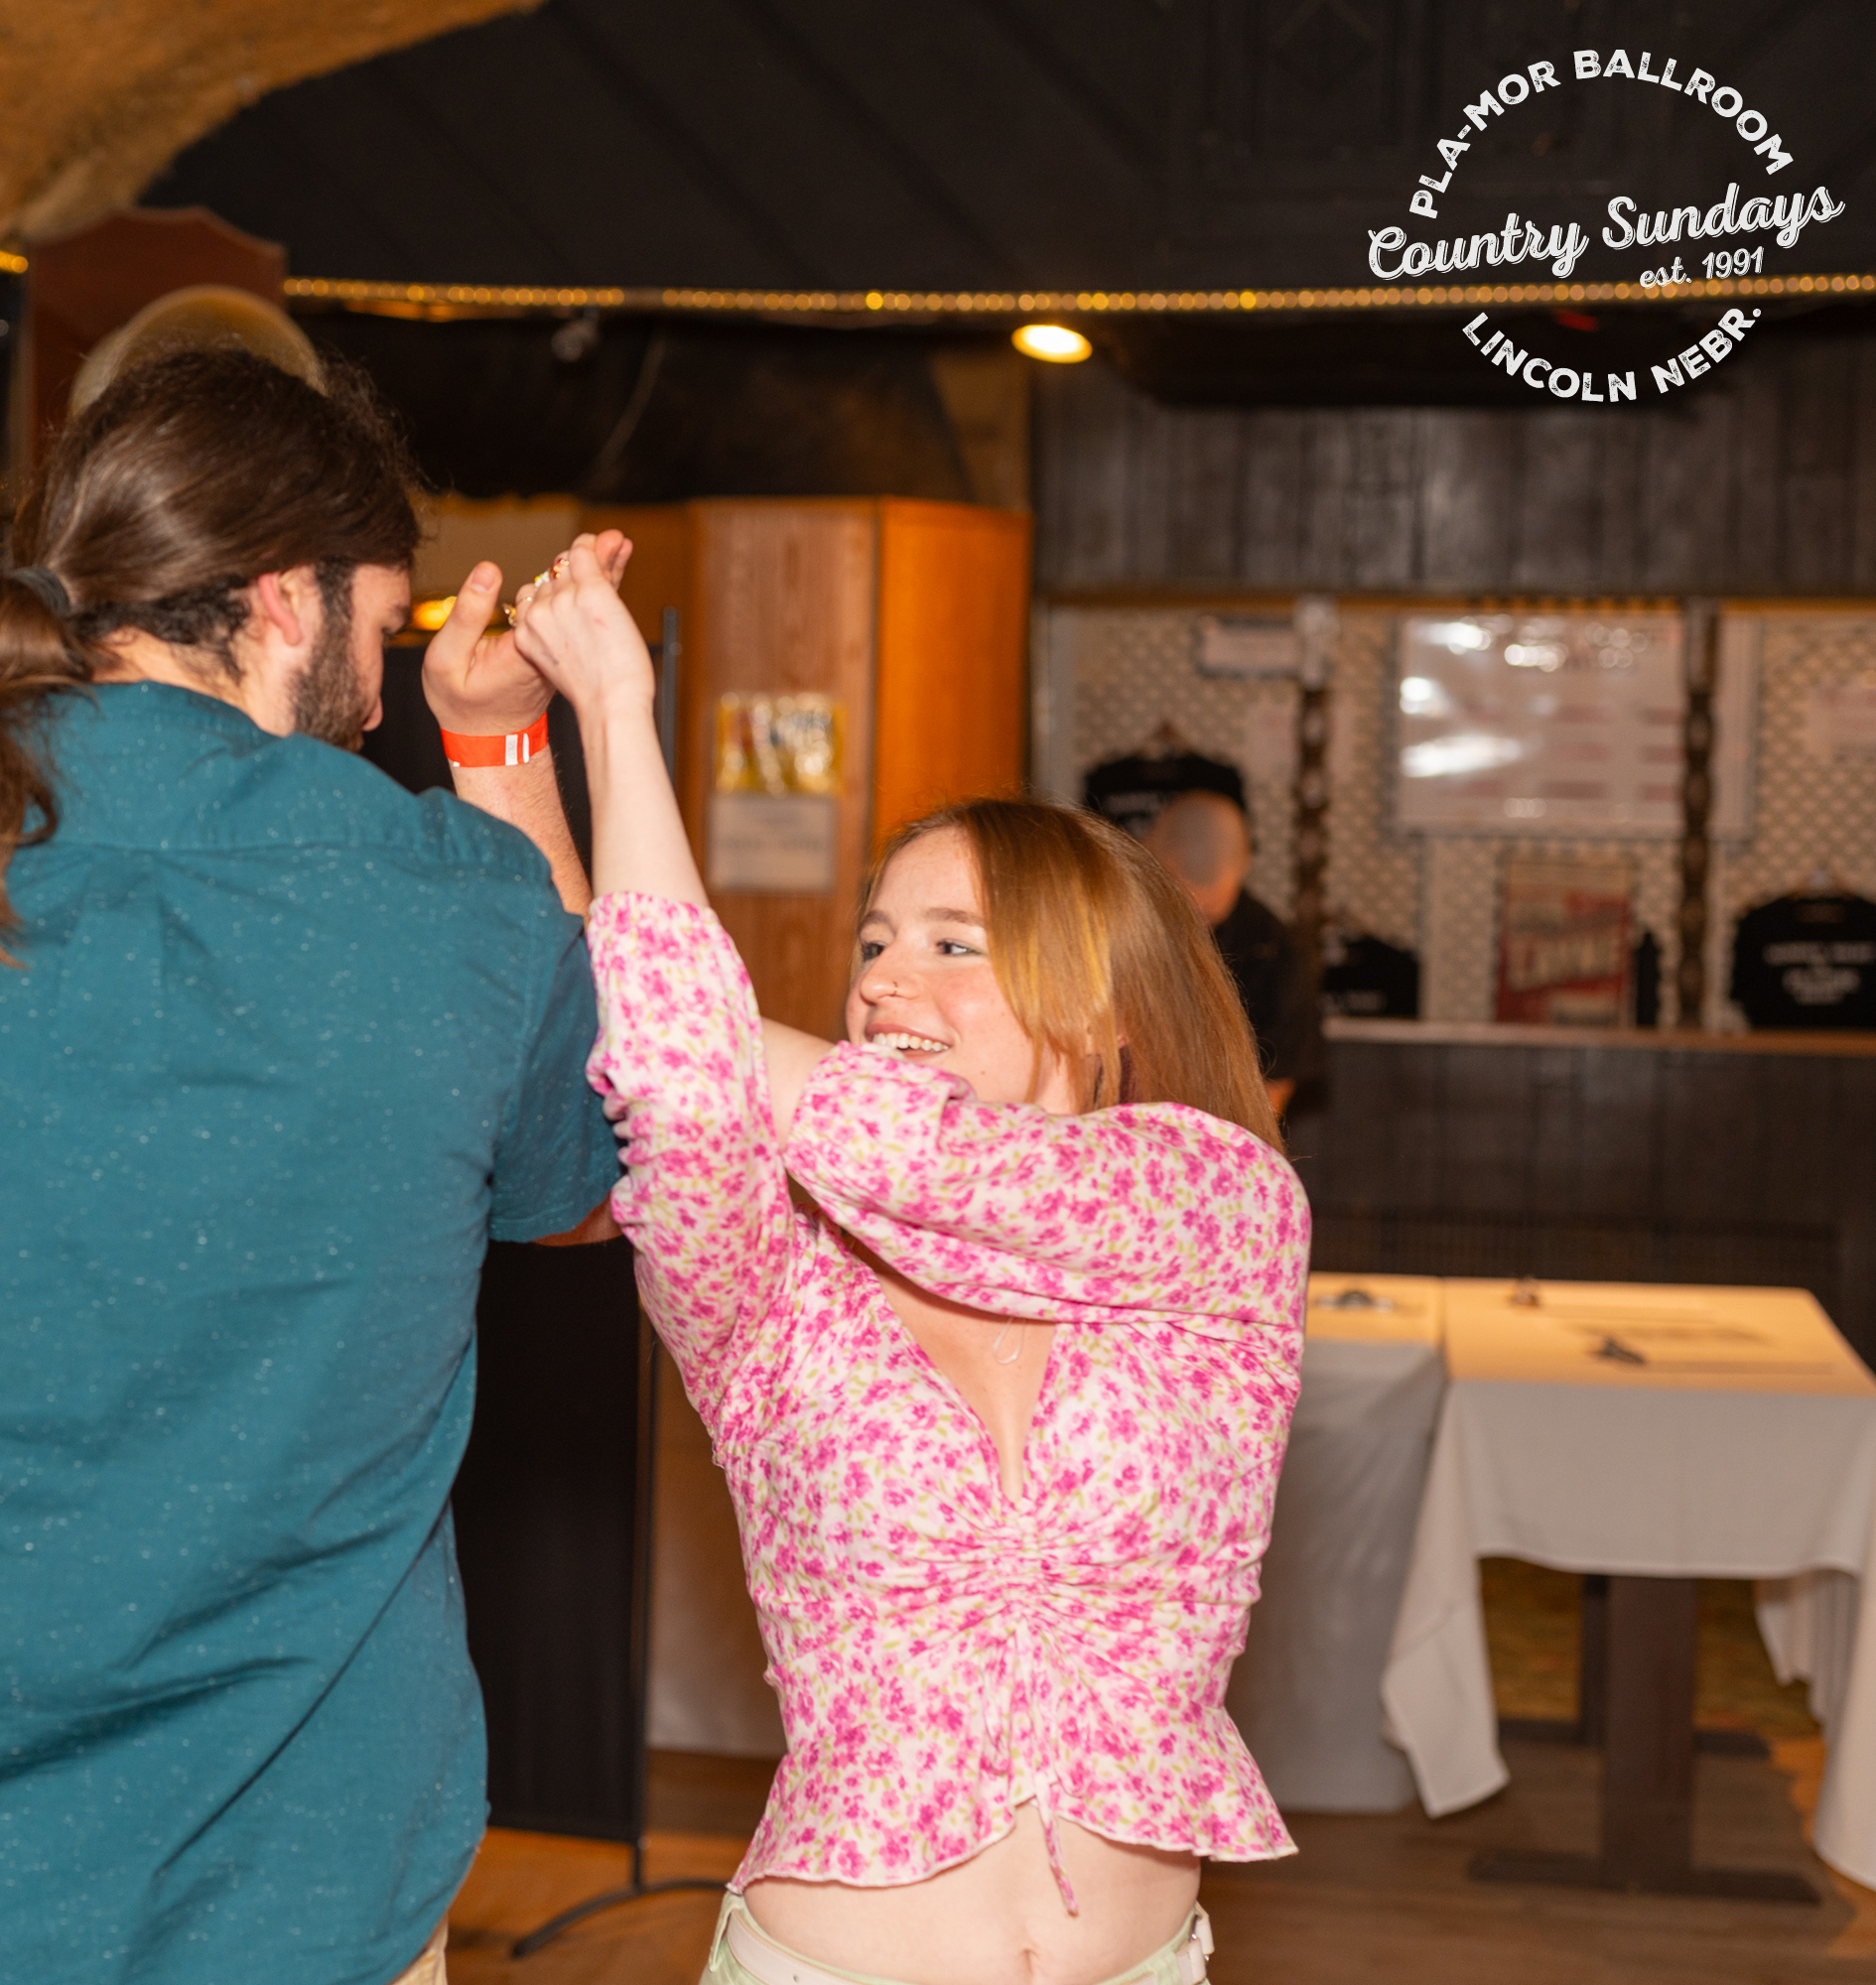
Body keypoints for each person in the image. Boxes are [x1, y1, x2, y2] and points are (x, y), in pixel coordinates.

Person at [0, 347, 623, 1985]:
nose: (379, 697)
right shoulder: (436, 899)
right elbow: (600, 1178)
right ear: (282, 596)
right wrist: (500, 752)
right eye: (381, 630)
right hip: (277, 1893)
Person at [504, 541, 1309, 1985]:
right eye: (874, 941)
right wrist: (598, 714)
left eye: (952, 943)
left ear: (1109, 998)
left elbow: (939, 1160)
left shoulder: (1219, 1212)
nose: (882, 980)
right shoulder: (780, 1284)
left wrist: (709, 1032)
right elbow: (671, 1078)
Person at [1141, 789, 1322, 1116]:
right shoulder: (1111, 928)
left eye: (1210, 916)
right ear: (1149, 855)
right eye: (1183, 908)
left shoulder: (1276, 955)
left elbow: (1273, 1089)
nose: (1198, 928)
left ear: (1245, 866)